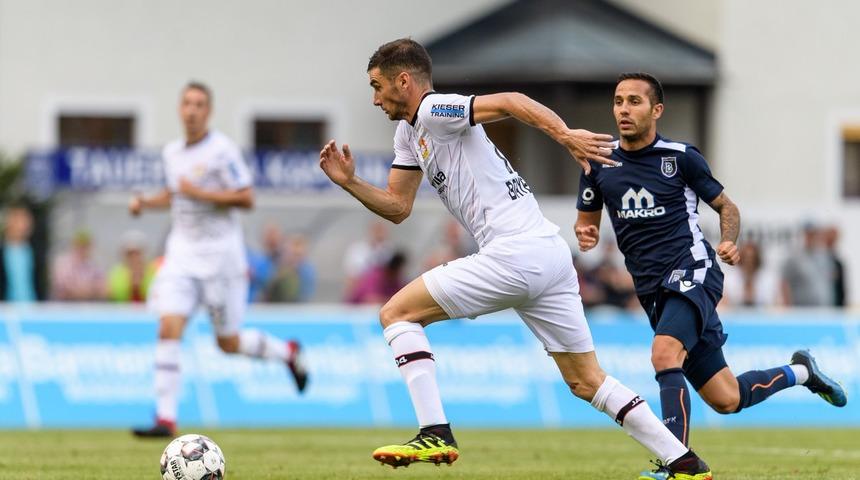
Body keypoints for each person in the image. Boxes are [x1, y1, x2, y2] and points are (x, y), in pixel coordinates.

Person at [319, 38, 712, 479]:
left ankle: (434, 432)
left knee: (396, 314)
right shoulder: (409, 133)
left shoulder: (433, 110)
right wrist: (350, 182)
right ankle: (685, 461)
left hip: (515, 253)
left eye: (377, 86)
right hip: (547, 253)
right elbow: (397, 206)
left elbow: (511, 100)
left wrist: (565, 136)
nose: (374, 98)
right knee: (586, 380)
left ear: (404, 81)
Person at [574, 72, 847, 479]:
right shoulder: (598, 160)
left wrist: (730, 241)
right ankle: (803, 371)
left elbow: (727, 207)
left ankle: (677, 464)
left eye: (634, 101)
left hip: (693, 269)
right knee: (725, 397)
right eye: (618, 101)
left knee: (665, 354)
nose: (624, 110)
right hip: (651, 288)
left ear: (657, 110)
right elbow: (587, 220)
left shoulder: (681, 157)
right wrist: (586, 231)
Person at [128, 81, 308, 437]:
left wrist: (202, 193)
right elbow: (176, 193)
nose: (192, 110)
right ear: (180, 110)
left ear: (207, 112)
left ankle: (286, 352)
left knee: (227, 343)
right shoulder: (172, 152)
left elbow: (246, 198)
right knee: (168, 327)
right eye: (187, 104)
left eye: (199, 104)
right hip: (181, 255)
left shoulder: (222, 150)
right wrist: (146, 202)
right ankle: (165, 418)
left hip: (221, 260)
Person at [0, 205, 47, 302]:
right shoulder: (3, 252)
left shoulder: (35, 252)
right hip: (5, 309)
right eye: (19, 220)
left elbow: (40, 284)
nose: (23, 225)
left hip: (32, 308)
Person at [781, 223, 833, 306]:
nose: (812, 237)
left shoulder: (823, 255)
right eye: (809, 234)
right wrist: (788, 308)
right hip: (801, 311)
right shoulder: (794, 257)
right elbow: (784, 283)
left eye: (815, 233)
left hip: (822, 310)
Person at [51, 230, 106, 301]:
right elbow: (64, 289)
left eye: (86, 245)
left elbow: (103, 291)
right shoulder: (63, 263)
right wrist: (90, 290)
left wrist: (80, 290)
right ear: (74, 245)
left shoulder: (94, 265)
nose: (83, 249)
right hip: (65, 309)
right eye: (80, 245)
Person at [106, 230, 157, 303]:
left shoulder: (152, 271)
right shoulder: (116, 272)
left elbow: (155, 294)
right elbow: (113, 295)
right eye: (130, 254)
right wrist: (130, 283)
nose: (134, 257)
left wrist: (141, 283)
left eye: (137, 253)